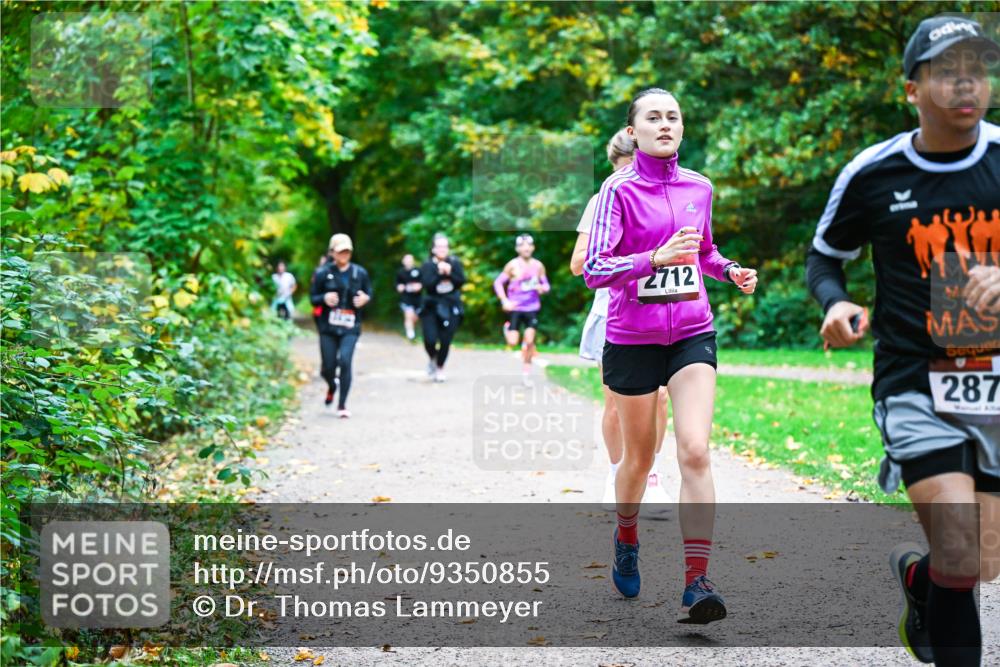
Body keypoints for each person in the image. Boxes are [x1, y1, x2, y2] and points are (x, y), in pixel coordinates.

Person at [806, 15, 1000, 665]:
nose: (965, 82)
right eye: (946, 70)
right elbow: (824, 257)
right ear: (911, 89)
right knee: (959, 549)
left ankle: (922, 583)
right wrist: (836, 304)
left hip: (998, 380)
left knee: (981, 561)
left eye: (976, 67)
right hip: (915, 379)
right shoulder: (874, 173)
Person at [584, 88, 757, 623]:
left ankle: (696, 581)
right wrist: (652, 258)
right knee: (639, 459)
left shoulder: (698, 187)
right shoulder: (617, 191)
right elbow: (594, 268)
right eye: (653, 117)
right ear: (633, 131)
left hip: (691, 333)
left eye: (673, 116)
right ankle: (627, 532)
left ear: (682, 128)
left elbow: (703, 251)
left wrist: (728, 271)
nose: (665, 124)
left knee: (696, 451)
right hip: (632, 340)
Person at [571, 128, 672, 518]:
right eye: (628, 170)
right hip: (613, 311)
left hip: (658, 309)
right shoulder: (603, 200)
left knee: (660, 398)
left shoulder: (667, 195)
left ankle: (652, 479)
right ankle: (617, 477)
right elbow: (578, 263)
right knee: (615, 401)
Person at [310, 233, 372, 418]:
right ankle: (331, 385)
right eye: (340, 251)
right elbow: (313, 298)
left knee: (345, 361)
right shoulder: (322, 273)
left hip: (350, 327)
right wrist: (324, 298)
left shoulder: (359, 273)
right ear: (332, 253)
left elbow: (369, 293)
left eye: (347, 251)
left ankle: (342, 405)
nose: (344, 255)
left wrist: (365, 299)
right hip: (328, 327)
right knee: (327, 368)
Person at [493, 234, 550, 385]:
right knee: (512, 343)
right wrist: (505, 300)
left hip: (532, 308)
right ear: (517, 248)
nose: (526, 248)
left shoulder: (538, 266)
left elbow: (547, 285)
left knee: (530, 341)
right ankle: (507, 329)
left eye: (528, 245)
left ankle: (526, 373)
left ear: (533, 247)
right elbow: (498, 283)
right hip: (515, 308)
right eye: (522, 245)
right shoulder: (512, 265)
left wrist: (541, 288)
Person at [419, 233, 466, 383]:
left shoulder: (454, 262)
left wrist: (449, 272)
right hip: (431, 306)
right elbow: (427, 285)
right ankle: (433, 357)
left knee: (446, 340)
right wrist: (440, 273)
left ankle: (440, 367)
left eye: (445, 246)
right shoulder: (427, 265)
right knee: (430, 340)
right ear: (433, 249)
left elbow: (461, 281)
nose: (442, 249)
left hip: (451, 306)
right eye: (439, 246)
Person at [396, 254, 424, 341]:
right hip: (406, 298)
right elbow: (397, 285)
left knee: (414, 317)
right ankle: (410, 335)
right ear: (403, 261)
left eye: (410, 260)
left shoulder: (418, 271)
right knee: (408, 315)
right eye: (406, 260)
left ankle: (411, 329)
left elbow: (423, 282)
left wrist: (419, 286)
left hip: (417, 299)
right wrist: (400, 287)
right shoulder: (400, 272)